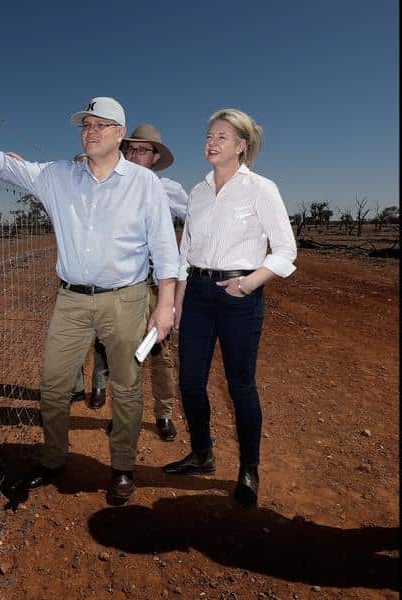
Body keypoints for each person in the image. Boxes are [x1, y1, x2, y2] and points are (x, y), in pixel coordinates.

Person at [0, 97, 179, 505]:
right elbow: (1, 165)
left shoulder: (145, 184)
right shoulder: (58, 176)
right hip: (71, 301)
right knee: (53, 384)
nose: (91, 131)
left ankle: (122, 467)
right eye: (86, 124)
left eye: (102, 125)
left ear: (120, 135)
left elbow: (164, 247)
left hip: (125, 299)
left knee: (126, 386)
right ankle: (53, 458)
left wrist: (165, 304)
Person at [163, 108, 297, 508]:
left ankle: (249, 470)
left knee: (240, 385)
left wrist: (249, 283)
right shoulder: (198, 193)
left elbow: (286, 249)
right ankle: (202, 454)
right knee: (189, 381)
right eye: (208, 135)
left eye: (222, 136)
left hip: (239, 296)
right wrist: (178, 302)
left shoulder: (261, 188)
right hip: (199, 296)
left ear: (241, 146)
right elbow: (186, 252)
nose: (211, 142)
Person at [72, 124, 188, 443]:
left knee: (159, 354)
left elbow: (197, 221)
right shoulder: (110, 183)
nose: (136, 155)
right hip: (121, 287)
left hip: (156, 288)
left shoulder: (167, 189)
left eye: (143, 150)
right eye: (131, 149)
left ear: (154, 158)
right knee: (120, 352)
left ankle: (163, 413)